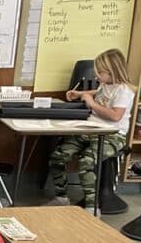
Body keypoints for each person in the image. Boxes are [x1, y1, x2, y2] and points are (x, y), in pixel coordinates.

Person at [48, 48, 134, 209]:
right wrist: (80, 94)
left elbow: (116, 116)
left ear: (112, 72)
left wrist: (92, 103)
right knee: (58, 156)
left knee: (86, 162)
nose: (97, 76)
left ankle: (91, 208)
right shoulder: (106, 85)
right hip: (91, 130)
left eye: (100, 73)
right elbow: (99, 92)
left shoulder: (124, 91)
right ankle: (62, 197)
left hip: (113, 135)